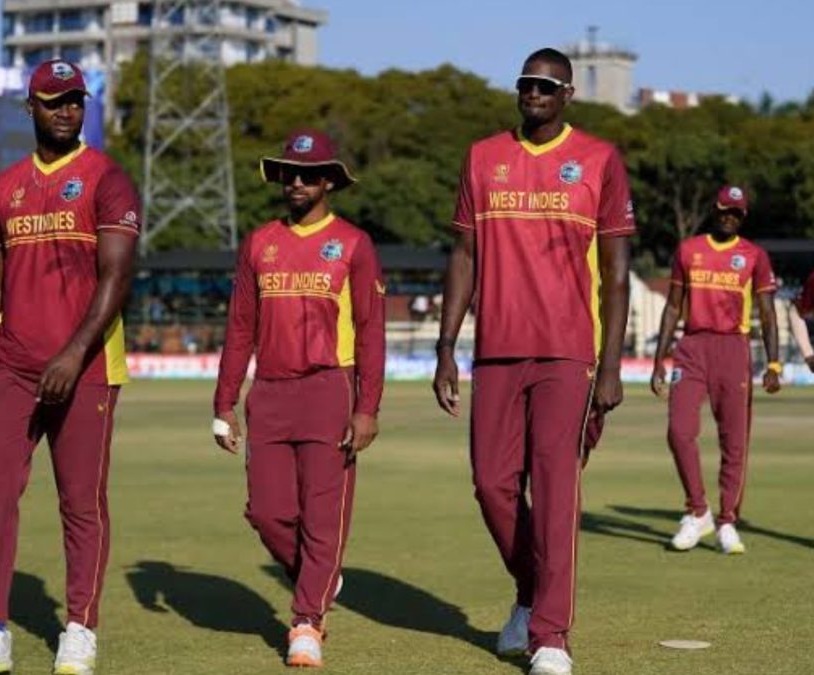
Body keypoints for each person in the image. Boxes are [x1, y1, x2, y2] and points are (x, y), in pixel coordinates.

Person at [433, 48, 635, 675]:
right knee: (491, 485)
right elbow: (464, 255)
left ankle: (551, 634)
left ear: (568, 94)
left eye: (547, 85)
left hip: (569, 354)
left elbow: (618, 273)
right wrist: (446, 344)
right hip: (495, 349)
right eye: (526, 83)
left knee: (554, 491)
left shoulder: (600, 159)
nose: (535, 92)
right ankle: (530, 591)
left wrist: (610, 366)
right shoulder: (480, 156)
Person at [0, 60, 140, 675]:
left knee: (81, 502)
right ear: (29, 106)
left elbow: (117, 277)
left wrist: (74, 352)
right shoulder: (2, 187)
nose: (66, 111)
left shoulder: (107, 178)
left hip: (85, 369)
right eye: (53, 101)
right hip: (12, 368)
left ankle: (79, 628)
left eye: (75, 101)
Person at [213, 129, 385, 668]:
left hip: (329, 389)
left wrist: (367, 408)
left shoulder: (353, 244)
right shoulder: (259, 242)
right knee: (266, 512)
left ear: (329, 180)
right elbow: (240, 326)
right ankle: (322, 576)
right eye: (289, 172)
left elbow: (371, 329)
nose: (297, 182)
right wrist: (224, 401)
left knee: (322, 515)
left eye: (309, 174)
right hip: (268, 393)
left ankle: (306, 620)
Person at [650, 186, 781, 554]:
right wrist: (660, 357)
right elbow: (673, 307)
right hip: (691, 347)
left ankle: (727, 521)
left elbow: (768, 312)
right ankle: (698, 510)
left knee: (734, 441)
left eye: (736, 212)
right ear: (714, 209)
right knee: (679, 430)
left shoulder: (754, 256)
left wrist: (773, 363)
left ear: (743, 216)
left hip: (733, 349)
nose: (729, 216)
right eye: (724, 209)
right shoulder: (689, 250)